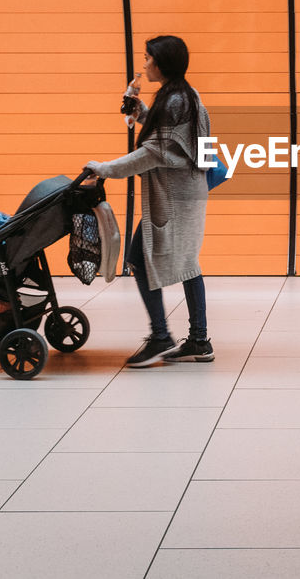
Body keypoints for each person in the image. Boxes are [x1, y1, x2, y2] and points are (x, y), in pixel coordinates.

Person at [86, 35, 213, 368]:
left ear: (161, 62)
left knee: (139, 259)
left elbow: (154, 153)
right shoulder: (183, 94)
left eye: (147, 58)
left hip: (175, 197)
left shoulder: (174, 100)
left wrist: (104, 168)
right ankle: (199, 340)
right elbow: (170, 138)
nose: (143, 65)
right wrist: (140, 110)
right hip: (186, 191)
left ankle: (161, 336)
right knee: (188, 263)